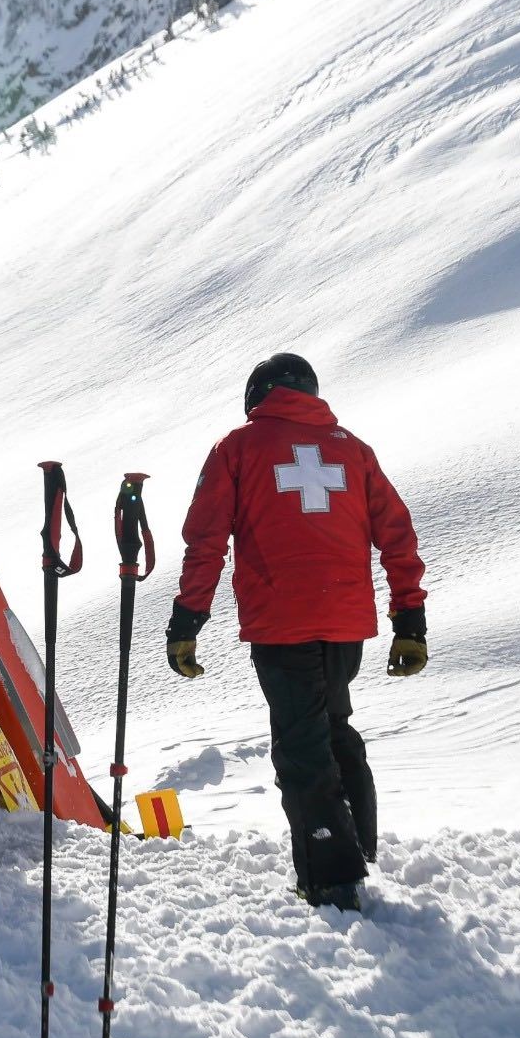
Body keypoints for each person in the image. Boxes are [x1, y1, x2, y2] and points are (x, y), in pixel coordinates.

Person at [164, 353, 428, 910]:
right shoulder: (353, 450)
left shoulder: (237, 448)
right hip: (346, 621)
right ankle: (357, 847)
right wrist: (410, 620)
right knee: (333, 724)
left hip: (281, 622)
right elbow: (397, 534)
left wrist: (188, 620)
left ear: (257, 395)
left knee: (302, 745)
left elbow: (206, 541)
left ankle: (331, 879)